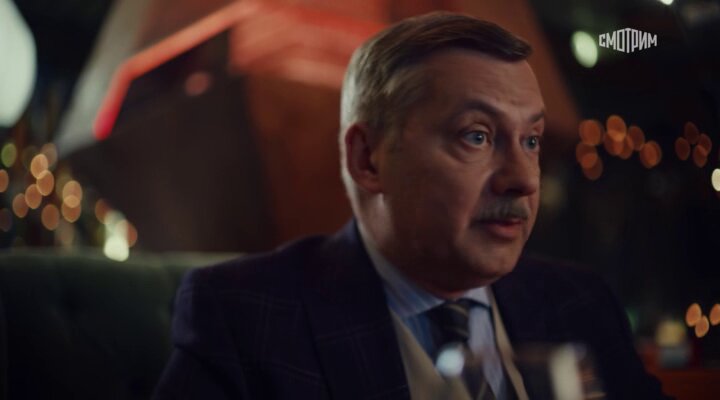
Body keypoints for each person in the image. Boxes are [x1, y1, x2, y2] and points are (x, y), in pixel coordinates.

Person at [154, 12, 671, 400]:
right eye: (476, 135)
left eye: (530, 141)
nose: (521, 180)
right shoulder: (246, 319)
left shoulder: (580, 304)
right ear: (368, 159)